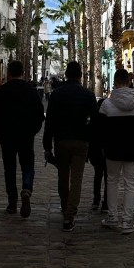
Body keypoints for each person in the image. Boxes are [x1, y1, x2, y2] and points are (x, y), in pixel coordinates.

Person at [43, 60, 98, 232]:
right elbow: (95, 121)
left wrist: (47, 146)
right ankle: (70, 214)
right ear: (80, 75)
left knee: (63, 176)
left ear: (66, 74)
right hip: (80, 141)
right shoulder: (87, 95)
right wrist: (91, 139)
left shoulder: (57, 94)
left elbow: (49, 121)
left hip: (61, 141)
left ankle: (64, 205)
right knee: (76, 179)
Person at [0, 59, 45, 216]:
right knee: (28, 165)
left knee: (9, 169)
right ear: (22, 72)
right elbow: (40, 114)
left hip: (6, 136)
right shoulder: (30, 91)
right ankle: (26, 189)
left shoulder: (1, 91)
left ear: (8, 73)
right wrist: (33, 130)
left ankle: (12, 202)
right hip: (26, 135)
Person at [98, 67, 134, 234]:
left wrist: (102, 147)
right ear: (129, 81)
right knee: (131, 184)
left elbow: (100, 130)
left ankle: (112, 216)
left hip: (112, 150)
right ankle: (127, 221)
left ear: (115, 82)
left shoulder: (106, 105)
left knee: (112, 181)